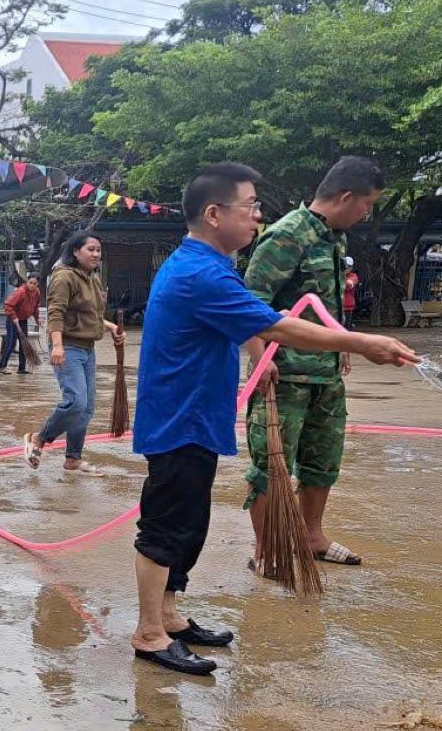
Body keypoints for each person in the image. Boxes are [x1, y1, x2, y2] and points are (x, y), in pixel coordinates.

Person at [130, 163, 417, 675]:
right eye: (251, 206)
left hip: (196, 417)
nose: (258, 216)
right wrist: (362, 342)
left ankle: (170, 616)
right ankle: (149, 633)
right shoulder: (199, 273)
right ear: (214, 214)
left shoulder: (213, 267)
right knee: (167, 525)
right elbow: (280, 325)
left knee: (191, 522)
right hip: (178, 420)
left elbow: (247, 324)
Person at [243, 156, 385, 572]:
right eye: (366, 205)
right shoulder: (286, 236)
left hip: (324, 375)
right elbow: (249, 305)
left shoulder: (333, 237)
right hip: (282, 372)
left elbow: (325, 300)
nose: (367, 213)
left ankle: (311, 536)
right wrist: (257, 359)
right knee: (272, 465)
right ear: (346, 197)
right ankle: (268, 549)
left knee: (323, 459)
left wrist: (340, 343)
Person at [23, 232, 125, 474]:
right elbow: (56, 313)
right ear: (75, 251)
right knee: (76, 402)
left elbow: (90, 314)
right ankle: (38, 438)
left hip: (87, 348)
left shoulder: (93, 278)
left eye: (99, 250)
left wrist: (109, 327)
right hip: (67, 346)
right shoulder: (63, 277)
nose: (96, 254)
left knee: (87, 408)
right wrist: (57, 345)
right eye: (90, 249)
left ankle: (73, 459)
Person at [0, 275, 41, 374]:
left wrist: (37, 319)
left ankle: (21, 368)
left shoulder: (37, 293)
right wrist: (14, 317)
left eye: (34, 283)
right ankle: (2, 366)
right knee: (11, 343)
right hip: (12, 319)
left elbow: (35, 307)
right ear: (27, 282)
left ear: (37, 284)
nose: (32, 285)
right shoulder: (21, 291)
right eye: (30, 282)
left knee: (24, 344)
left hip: (23, 320)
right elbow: (8, 305)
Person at [342, 256, 358, 329]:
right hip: (337, 306)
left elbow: (350, 284)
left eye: (349, 267)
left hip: (347, 306)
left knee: (346, 328)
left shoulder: (353, 276)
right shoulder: (336, 275)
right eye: (345, 266)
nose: (347, 268)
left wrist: (348, 282)